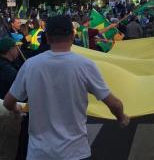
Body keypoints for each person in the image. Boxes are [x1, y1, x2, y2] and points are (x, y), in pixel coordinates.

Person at [3, 15, 129, 160]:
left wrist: (17, 110)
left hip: (39, 153)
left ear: (48, 38)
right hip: (75, 153)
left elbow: (8, 102)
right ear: (71, 36)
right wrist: (121, 117)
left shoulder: (30, 65)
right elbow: (113, 103)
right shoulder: (84, 65)